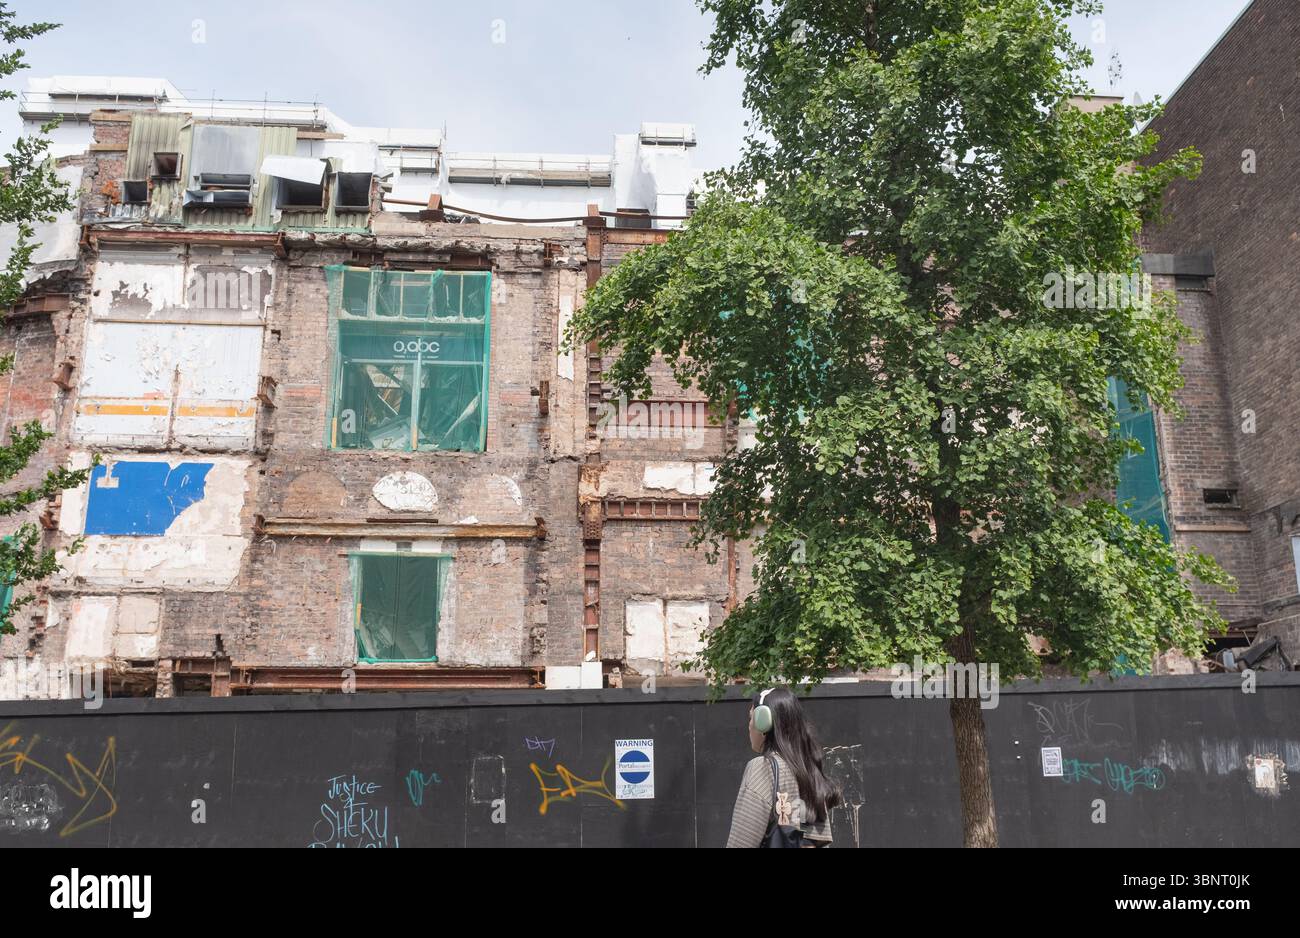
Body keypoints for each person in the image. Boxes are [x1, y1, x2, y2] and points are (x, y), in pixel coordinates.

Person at [725, 685, 839, 847]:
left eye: (751, 718)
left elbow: (742, 842)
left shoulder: (763, 768)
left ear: (763, 722)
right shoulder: (809, 772)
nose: (749, 725)